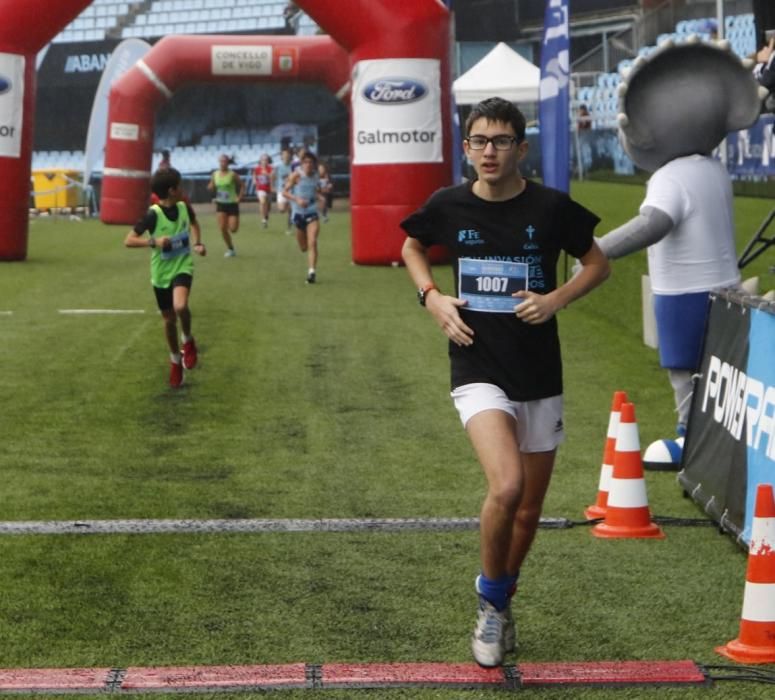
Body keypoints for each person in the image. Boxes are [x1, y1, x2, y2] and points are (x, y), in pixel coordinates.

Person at [400, 97, 609, 668]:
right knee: (507, 486)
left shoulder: (551, 206)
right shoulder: (449, 203)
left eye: (500, 141)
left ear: (521, 146)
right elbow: (412, 245)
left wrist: (555, 299)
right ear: (466, 147)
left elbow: (597, 263)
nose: (488, 151)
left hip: (539, 370)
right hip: (477, 364)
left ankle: (502, 595)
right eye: (478, 141)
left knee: (528, 511)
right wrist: (432, 297)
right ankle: (490, 606)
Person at [124, 168, 206, 388]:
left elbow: (195, 223)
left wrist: (198, 243)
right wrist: (154, 242)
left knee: (181, 306)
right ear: (172, 190)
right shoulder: (153, 215)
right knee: (169, 320)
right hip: (160, 273)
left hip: (182, 266)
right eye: (180, 186)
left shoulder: (183, 207)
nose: (183, 189)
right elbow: (129, 240)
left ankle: (187, 340)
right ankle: (175, 360)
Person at [283, 151, 322, 284]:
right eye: (305, 162)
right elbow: (284, 192)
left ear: (314, 164)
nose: (308, 165)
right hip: (299, 214)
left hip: (312, 212)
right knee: (304, 248)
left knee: (312, 242)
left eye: (311, 162)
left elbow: (316, 190)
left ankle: (311, 272)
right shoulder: (296, 175)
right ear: (302, 164)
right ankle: (311, 269)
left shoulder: (316, 175)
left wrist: (320, 195)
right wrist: (296, 199)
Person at [208, 154, 243, 257]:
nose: (222, 163)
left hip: (232, 204)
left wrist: (239, 198)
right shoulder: (215, 174)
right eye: (221, 162)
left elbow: (242, 186)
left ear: (228, 163)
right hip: (221, 204)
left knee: (233, 229)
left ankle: (230, 222)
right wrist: (210, 187)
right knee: (222, 228)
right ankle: (230, 249)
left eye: (224, 162)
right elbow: (212, 186)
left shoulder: (232, 174)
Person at [273, 148, 294, 234]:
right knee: (281, 209)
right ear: (281, 156)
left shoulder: (293, 166)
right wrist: (272, 187)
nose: (286, 156)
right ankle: (290, 210)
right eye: (284, 154)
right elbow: (272, 177)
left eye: (287, 154)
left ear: (290, 156)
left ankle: (289, 228)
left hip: (292, 190)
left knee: (290, 211)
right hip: (281, 190)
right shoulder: (278, 167)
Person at [253, 153, 274, 229]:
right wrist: (254, 181)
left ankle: (266, 215)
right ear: (260, 161)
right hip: (260, 189)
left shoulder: (271, 168)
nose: (264, 161)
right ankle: (263, 220)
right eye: (263, 160)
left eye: (266, 160)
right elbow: (254, 176)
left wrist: (267, 174)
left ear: (268, 161)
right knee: (262, 202)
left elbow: (273, 177)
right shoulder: (257, 169)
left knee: (268, 206)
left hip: (268, 189)